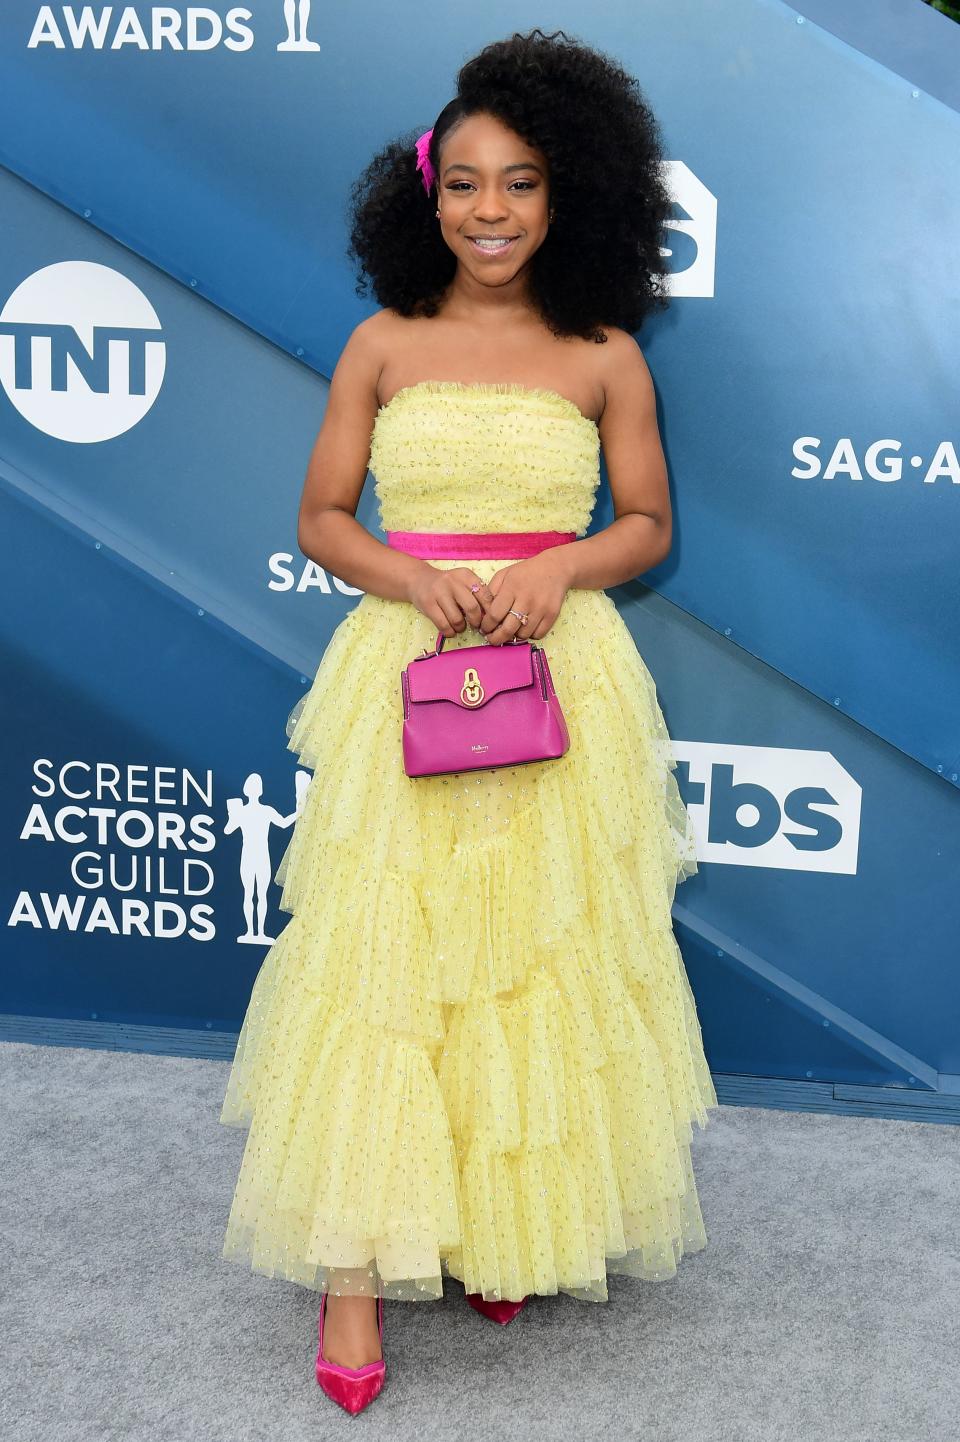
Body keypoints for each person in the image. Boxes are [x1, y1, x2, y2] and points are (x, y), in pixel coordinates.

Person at [219, 26, 719, 1416]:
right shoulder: (381, 342)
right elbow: (323, 518)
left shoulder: (606, 354)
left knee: (532, 959)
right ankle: (354, 1272)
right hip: (408, 665)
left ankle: (503, 1224)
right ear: (423, 193)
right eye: (466, 184)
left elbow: (647, 524)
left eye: (522, 184)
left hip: (567, 672)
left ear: (570, 198)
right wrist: (417, 577)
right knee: (386, 961)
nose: (490, 211)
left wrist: (559, 564)